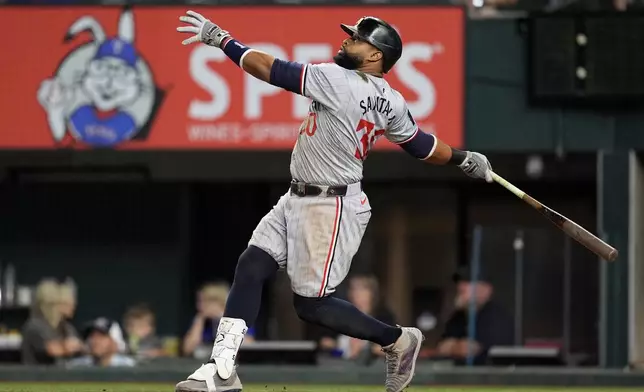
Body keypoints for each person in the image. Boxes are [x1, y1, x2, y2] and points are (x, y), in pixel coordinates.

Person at [175, 11, 494, 392]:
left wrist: (223, 39)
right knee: (251, 266)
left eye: (358, 39)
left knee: (312, 306)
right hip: (298, 195)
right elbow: (421, 146)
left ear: (376, 56)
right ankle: (222, 370)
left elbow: (268, 69)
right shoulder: (390, 99)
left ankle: (396, 339)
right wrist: (462, 157)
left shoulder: (339, 80)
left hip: (330, 205)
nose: (347, 41)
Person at [436, 265, 513, 365]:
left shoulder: (498, 317)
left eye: (468, 282)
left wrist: (453, 346)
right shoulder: (459, 316)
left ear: (486, 290)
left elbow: (471, 349)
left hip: (491, 377)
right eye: (460, 282)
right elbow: (441, 347)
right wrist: (456, 347)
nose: (461, 287)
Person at [319, 275, 396, 361]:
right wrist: (338, 345)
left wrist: (369, 349)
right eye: (353, 289)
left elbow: (393, 347)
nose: (357, 293)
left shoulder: (383, 317)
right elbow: (325, 342)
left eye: (362, 289)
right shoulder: (339, 315)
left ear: (372, 293)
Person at [182, 282, 255, 358]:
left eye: (204, 302)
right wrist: (200, 319)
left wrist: (222, 318)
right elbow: (188, 349)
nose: (199, 306)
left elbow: (248, 346)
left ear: (219, 302)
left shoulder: (239, 319)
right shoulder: (202, 321)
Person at [21, 279, 83, 365]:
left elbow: (80, 346)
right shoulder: (35, 326)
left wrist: (79, 346)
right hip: (36, 376)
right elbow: (52, 350)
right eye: (65, 303)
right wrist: (67, 346)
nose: (73, 306)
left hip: (62, 376)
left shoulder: (66, 328)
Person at [67, 318, 136, 368]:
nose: (94, 340)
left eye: (101, 337)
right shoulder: (76, 367)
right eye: (92, 336)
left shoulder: (129, 367)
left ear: (115, 342)